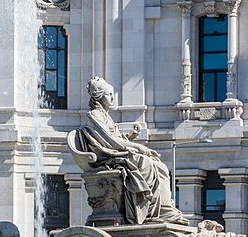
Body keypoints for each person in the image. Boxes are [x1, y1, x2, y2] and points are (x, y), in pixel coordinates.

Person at [79, 77, 188, 225]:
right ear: (99, 96)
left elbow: (114, 139)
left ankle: (163, 207)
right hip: (107, 158)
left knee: (160, 166)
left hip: (115, 153)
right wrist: (140, 147)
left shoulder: (105, 116)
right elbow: (110, 142)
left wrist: (131, 137)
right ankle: (146, 209)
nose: (112, 97)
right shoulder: (95, 115)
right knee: (145, 163)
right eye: (109, 94)